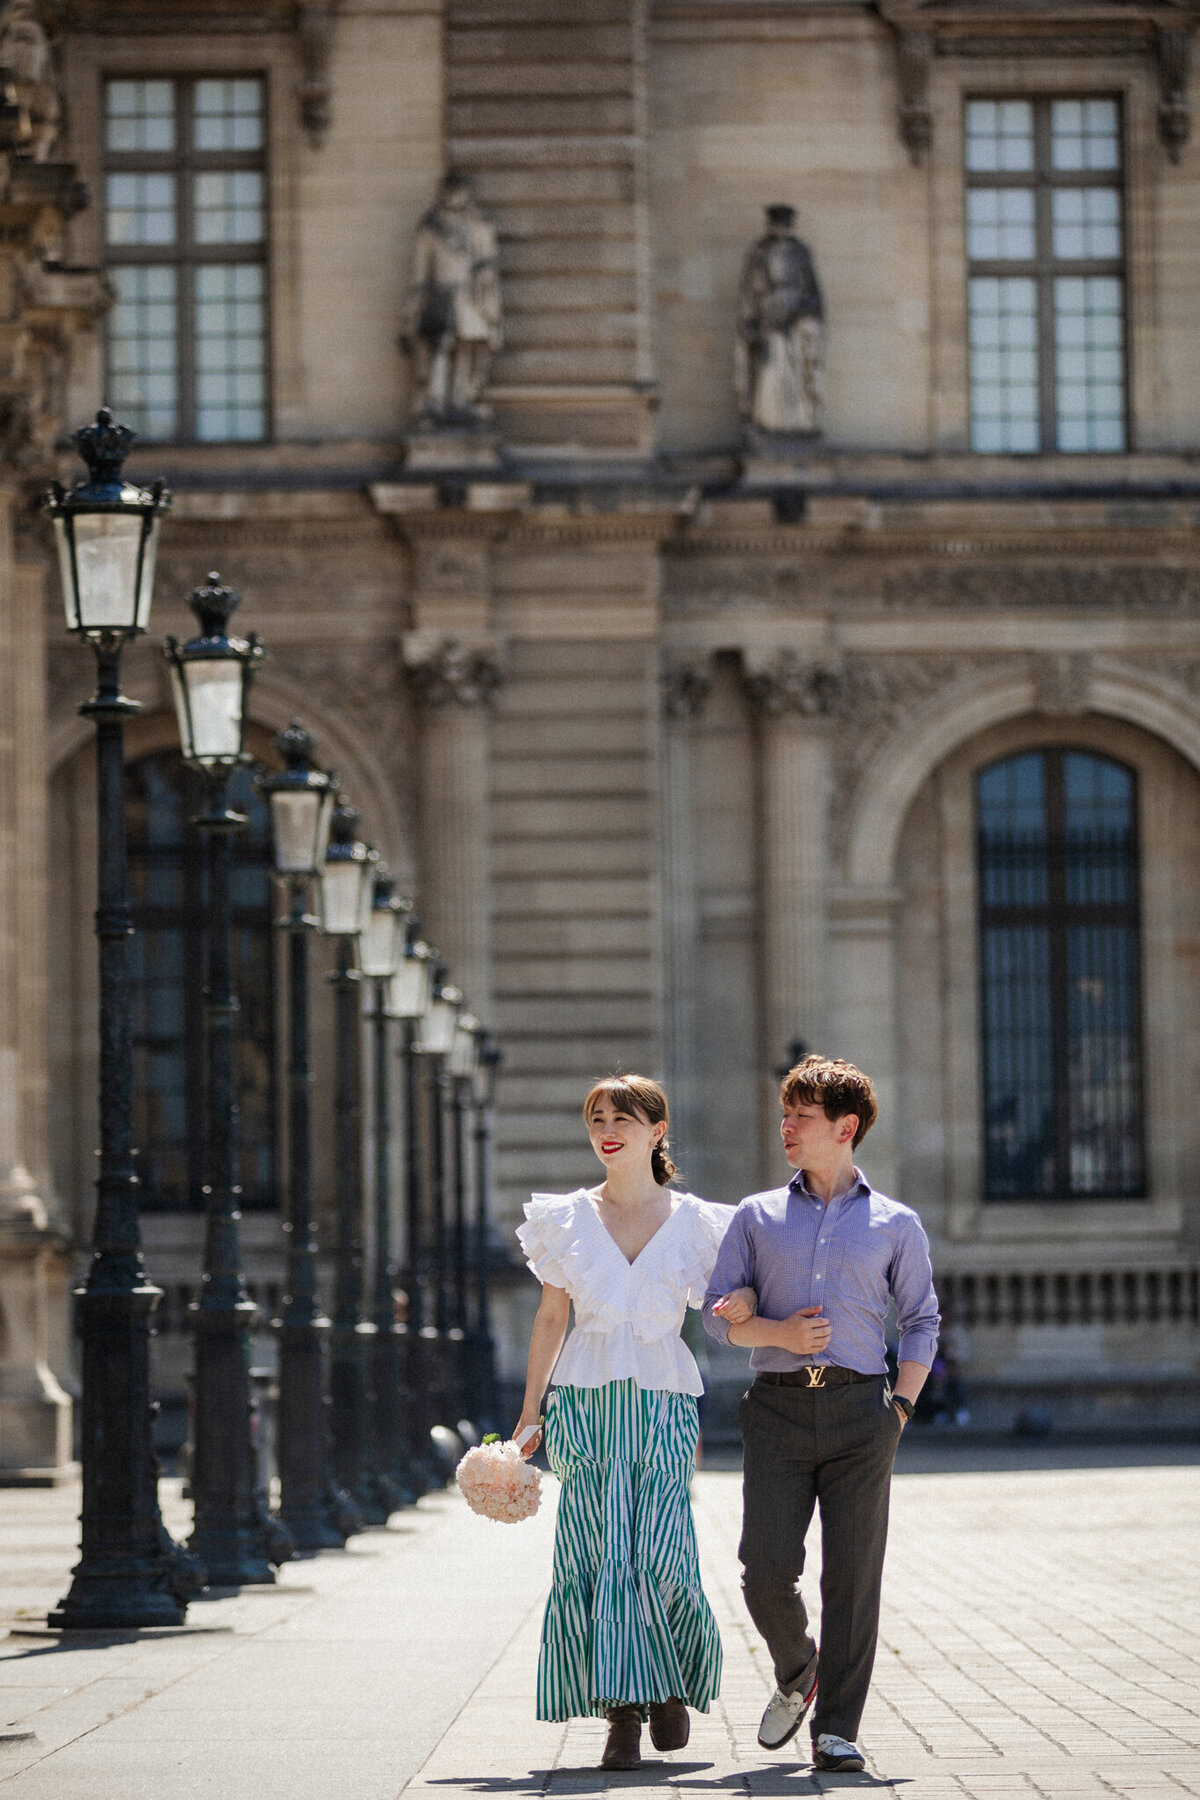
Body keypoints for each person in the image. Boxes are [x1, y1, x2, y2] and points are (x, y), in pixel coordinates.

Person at [703, 1054, 939, 1775]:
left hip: (863, 1410)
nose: (787, 1127)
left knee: (852, 1577)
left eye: (801, 1116)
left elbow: (923, 1318)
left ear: (846, 1128)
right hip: (774, 1408)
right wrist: (764, 1325)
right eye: (786, 1113)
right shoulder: (755, 1216)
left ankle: (836, 1729)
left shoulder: (897, 1223)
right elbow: (720, 1319)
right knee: (763, 1571)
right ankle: (799, 1664)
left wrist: (899, 1405)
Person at [513, 1076, 742, 1770]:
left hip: (664, 1404)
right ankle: (621, 1715)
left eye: (623, 1117)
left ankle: (670, 1683)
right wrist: (531, 1411)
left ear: (657, 1129)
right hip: (584, 1404)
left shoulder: (700, 1222)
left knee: (663, 1553)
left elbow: (727, 1310)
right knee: (597, 1555)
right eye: (596, 1118)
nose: (607, 1128)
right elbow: (553, 1316)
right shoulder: (567, 1220)